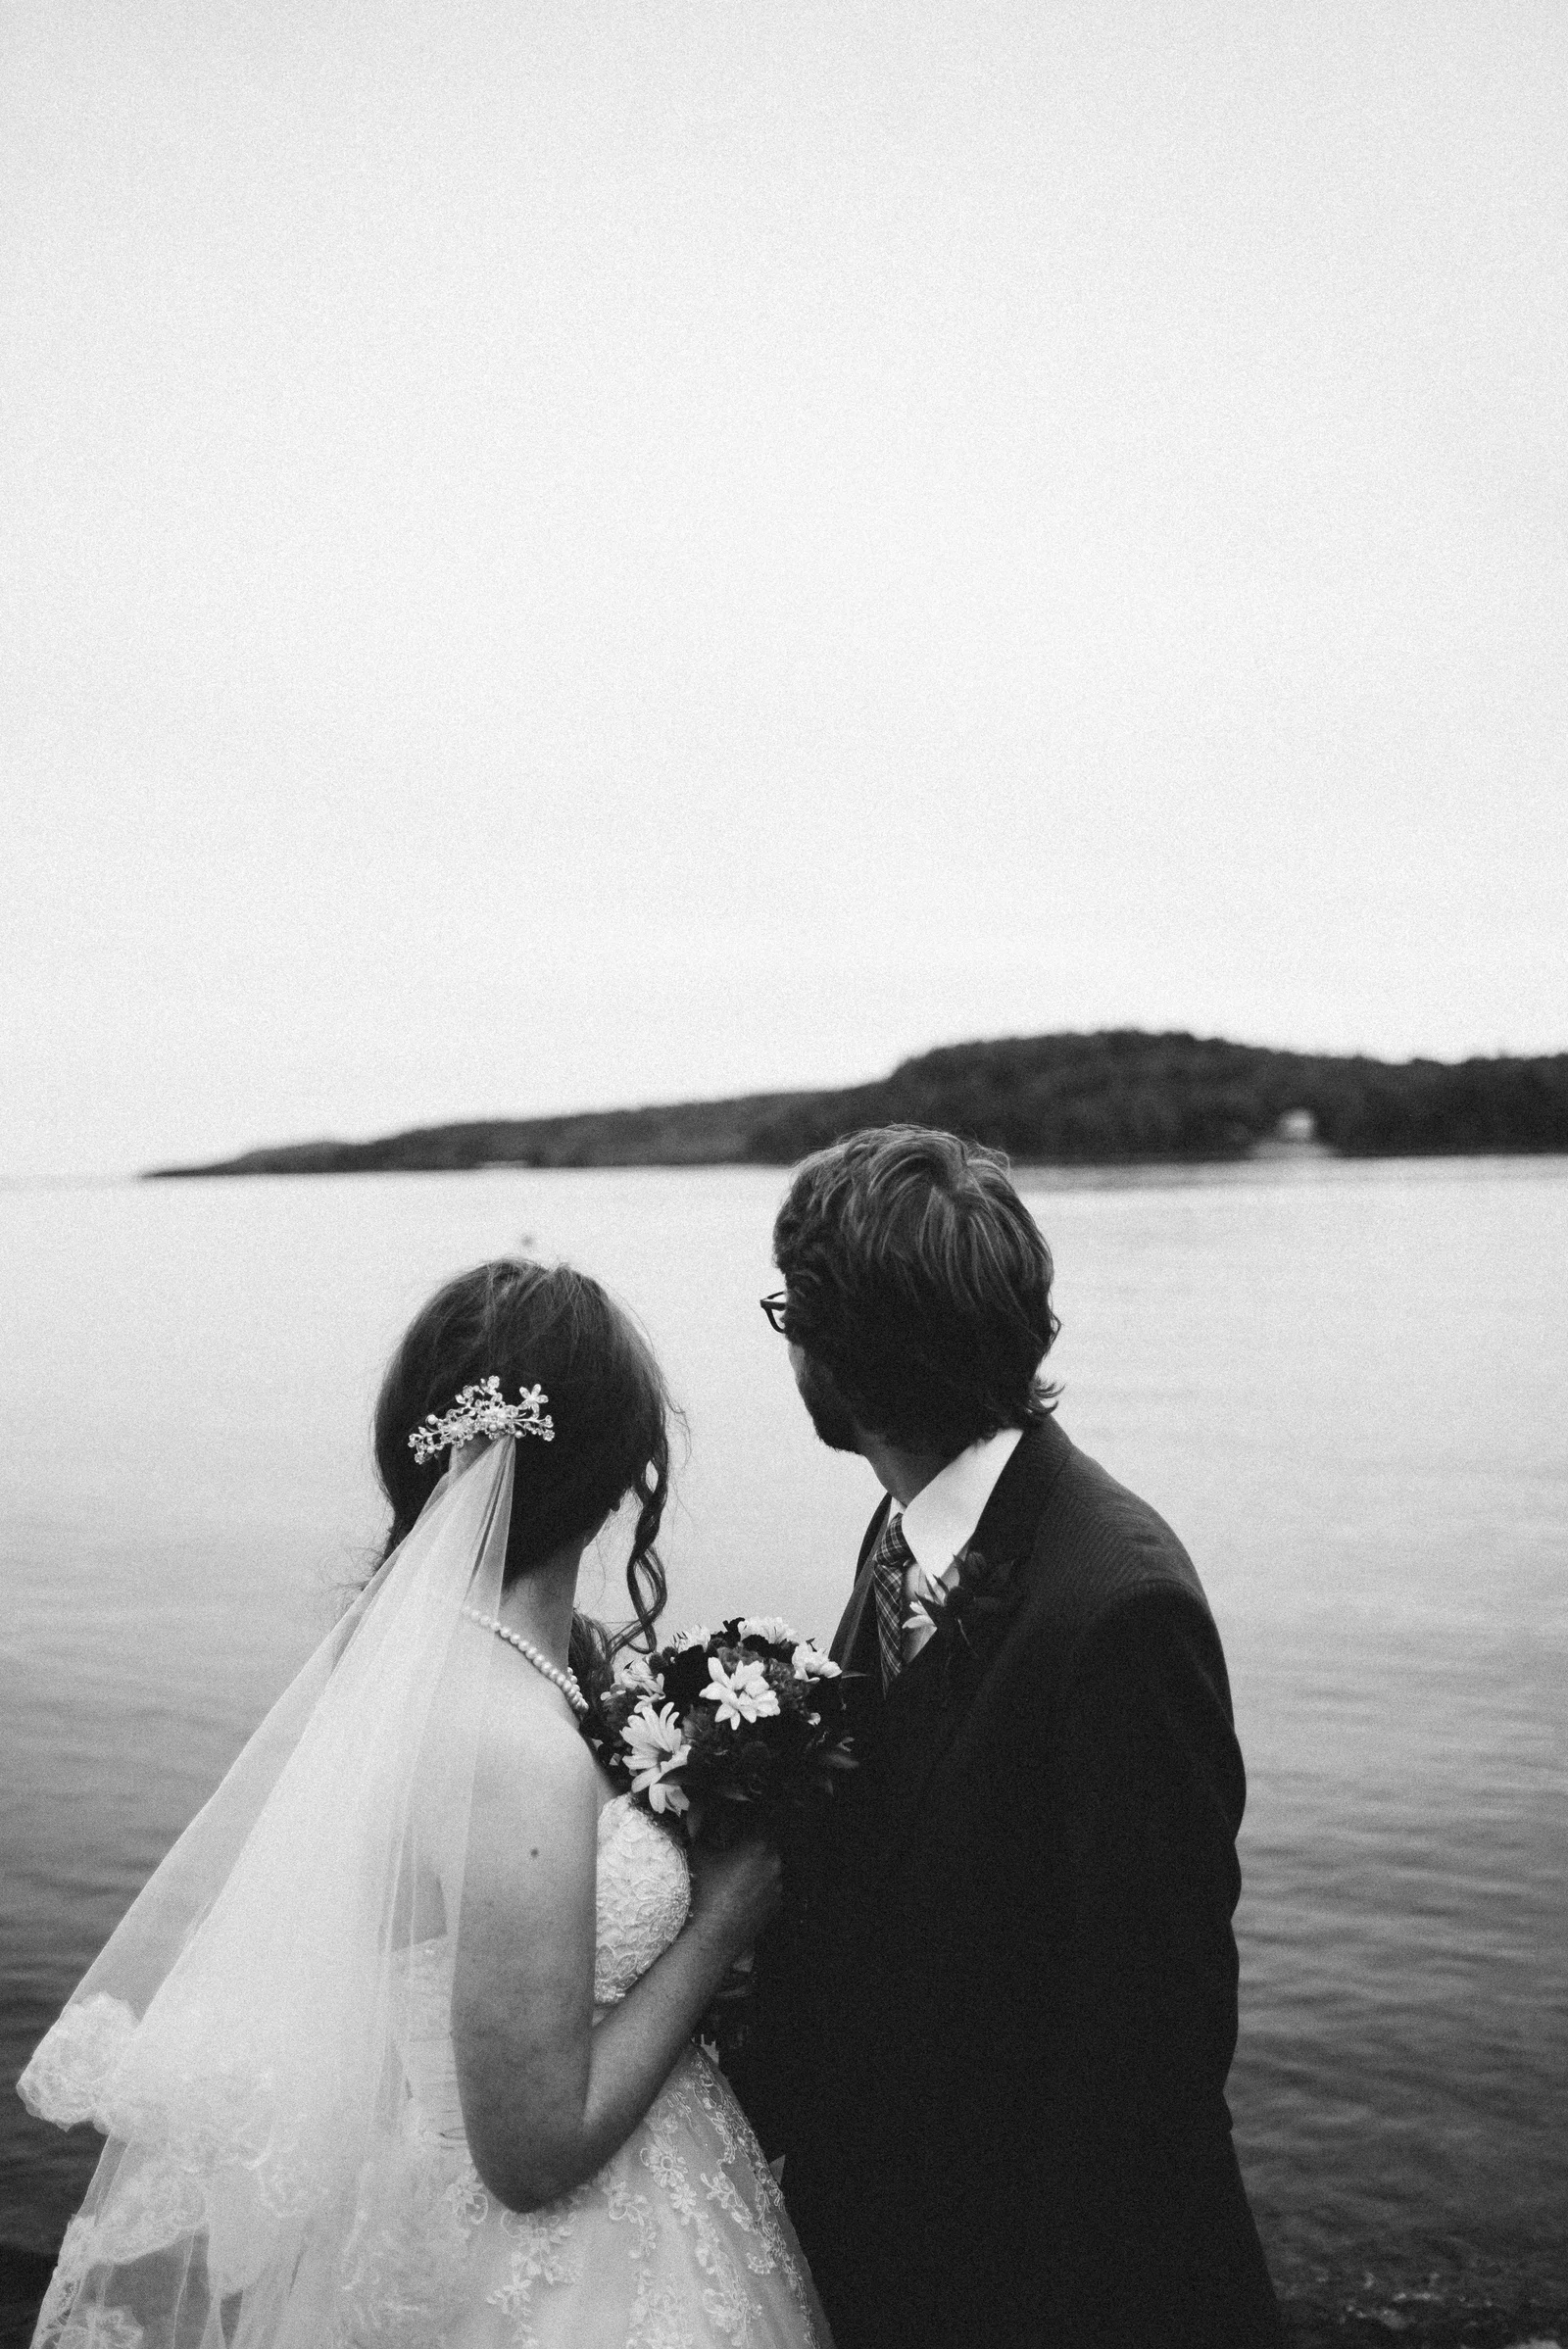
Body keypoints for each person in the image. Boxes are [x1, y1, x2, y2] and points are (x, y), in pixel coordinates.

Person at [20, 1258, 832, 2349]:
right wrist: (720, 1926)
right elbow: (530, 2154)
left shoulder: (437, 1669)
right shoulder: (512, 1744)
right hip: (575, 2278)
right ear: (618, 1475)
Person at [734, 1127, 1285, 2349]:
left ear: (851, 1355)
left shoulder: (1118, 1610)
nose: (789, 1350)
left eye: (790, 1317)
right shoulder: (903, 1533)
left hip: (1050, 2284)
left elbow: (1153, 2047)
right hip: (900, 2238)